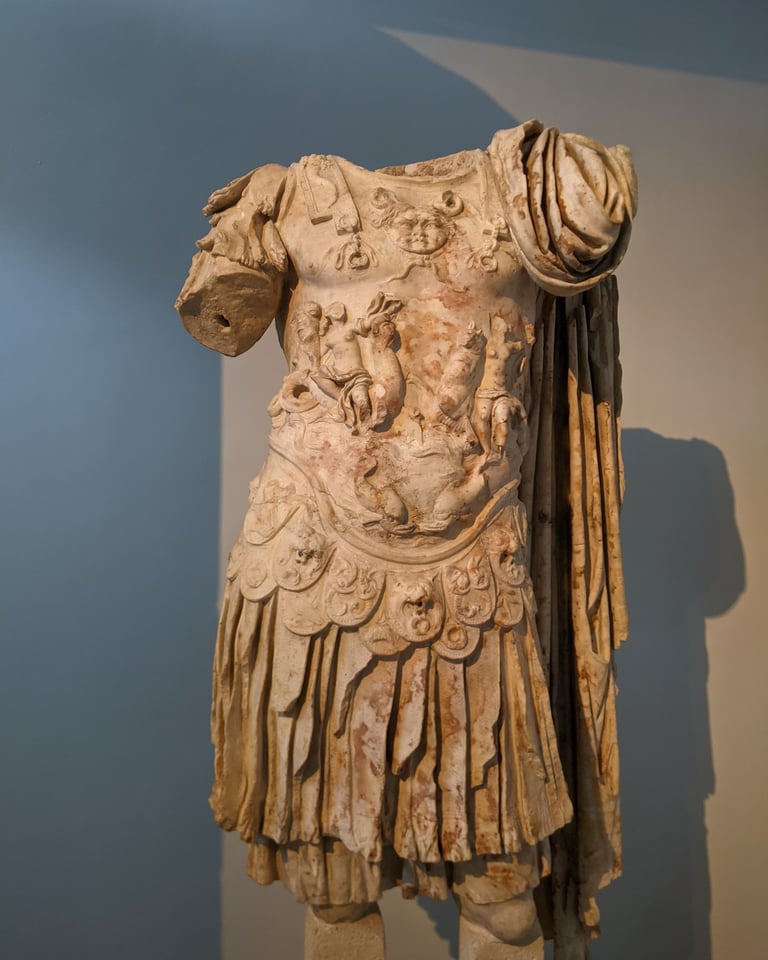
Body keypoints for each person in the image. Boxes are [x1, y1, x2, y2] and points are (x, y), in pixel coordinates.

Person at [176, 119, 637, 959]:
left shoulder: (540, 192)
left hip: (472, 565)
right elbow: (220, 319)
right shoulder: (289, 196)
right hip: (317, 563)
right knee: (333, 894)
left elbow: (593, 219)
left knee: (504, 898)